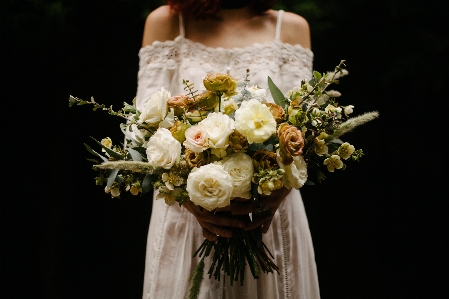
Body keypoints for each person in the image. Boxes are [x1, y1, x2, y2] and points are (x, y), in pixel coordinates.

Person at [136, 0, 320, 298]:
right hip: (186, 221)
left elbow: (305, 130)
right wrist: (190, 199)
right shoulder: (167, 22)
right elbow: (145, 129)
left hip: (268, 220)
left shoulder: (291, 28)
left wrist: (276, 194)